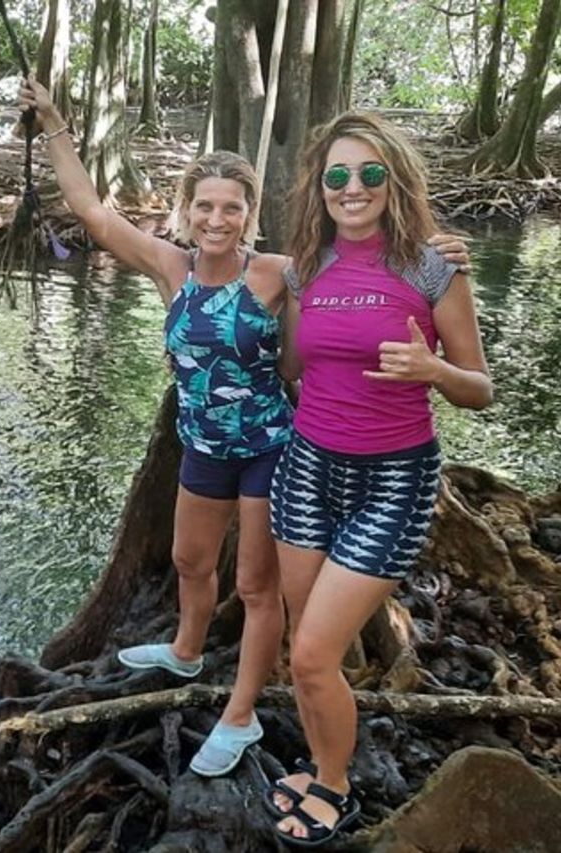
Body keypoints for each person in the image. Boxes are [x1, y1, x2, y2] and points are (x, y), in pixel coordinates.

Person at [17, 78, 471, 778]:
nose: (217, 219)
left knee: (258, 588)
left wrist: (433, 250)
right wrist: (53, 126)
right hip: (202, 446)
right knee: (190, 562)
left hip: (271, 448)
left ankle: (242, 711)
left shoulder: (283, 273)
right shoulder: (172, 268)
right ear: (187, 211)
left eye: (232, 207)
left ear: (252, 213)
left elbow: (365, 266)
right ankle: (188, 648)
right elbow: (90, 211)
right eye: (205, 206)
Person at [265, 111, 492, 846]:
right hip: (305, 469)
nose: (352, 188)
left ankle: (337, 788)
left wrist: (434, 369)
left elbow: (479, 388)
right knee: (306, 644)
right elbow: (294, 367)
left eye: (368, 173)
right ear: (319, 189)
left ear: (394, 180)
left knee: (311, 653)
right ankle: (322, 759)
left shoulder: (431, 266)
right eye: (337, 176)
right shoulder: (306, 266)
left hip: (394, 479)